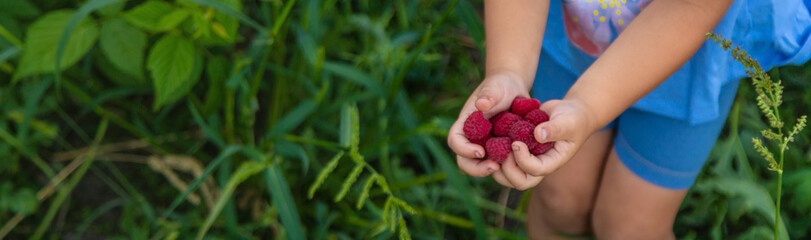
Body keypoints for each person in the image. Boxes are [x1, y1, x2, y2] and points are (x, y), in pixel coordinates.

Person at [446, 0, 811, 239]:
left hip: (689, 61)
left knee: (630, 227)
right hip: (571, 36)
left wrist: (587, 108)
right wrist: (508, 70)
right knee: (560, 198)